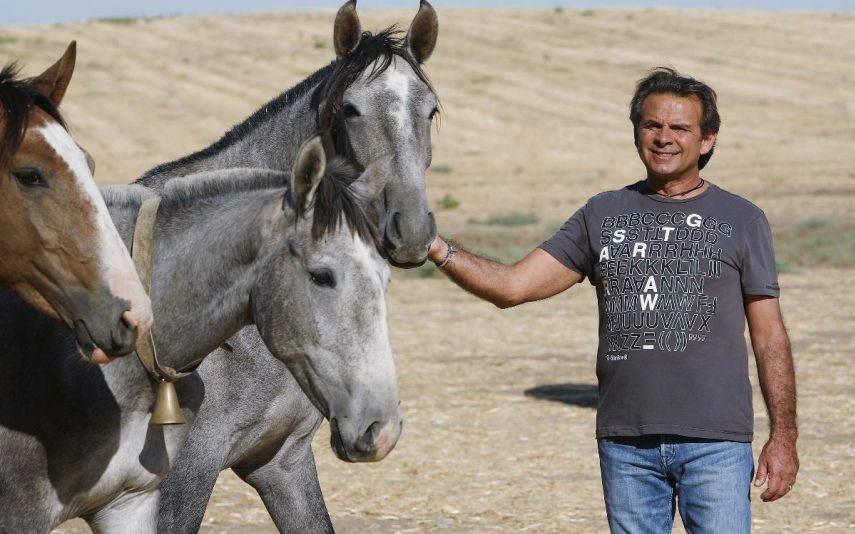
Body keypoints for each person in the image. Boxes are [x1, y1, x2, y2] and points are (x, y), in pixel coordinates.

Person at [427, 67, 798, 533]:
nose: (664, 138)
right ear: (637, 132)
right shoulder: (601, 214)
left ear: (707, 140)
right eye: (651, 125)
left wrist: (784, 436)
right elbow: (513, 286)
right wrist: (436, 248)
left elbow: (769, 337)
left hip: (716, 443)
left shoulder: (742, 219)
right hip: (626, 444)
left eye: (680, 128)